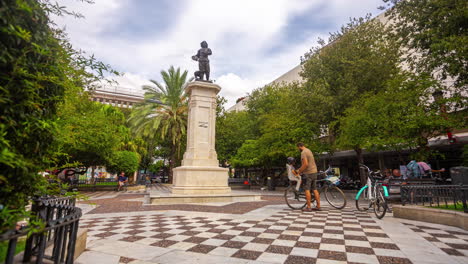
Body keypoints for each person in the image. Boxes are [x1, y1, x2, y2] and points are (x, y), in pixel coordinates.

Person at [296, 142, 320, 211]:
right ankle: (318, 206)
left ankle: (308, 207)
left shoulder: (303, 152)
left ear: (299, 147)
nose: (298, 149)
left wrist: (299, 171)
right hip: (314, 171)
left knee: (307, 189)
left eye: (298, 148)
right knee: (315, 189)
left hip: (308, 173)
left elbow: (305, 164)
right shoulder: (309, 150)